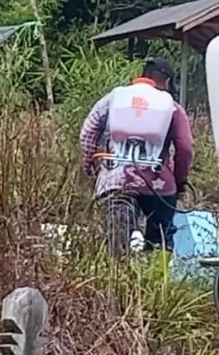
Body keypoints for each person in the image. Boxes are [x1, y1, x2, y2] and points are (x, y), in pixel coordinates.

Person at [80, 57, 194, 255]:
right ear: (166, 82)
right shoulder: (173, 107)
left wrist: (91, 165)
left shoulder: (113, 98)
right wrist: (179, 182)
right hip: (158, 185)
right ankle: (157, 278)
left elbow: (88, 132)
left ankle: (117, 279)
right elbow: (185, 148)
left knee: (117, 244)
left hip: (115, 180)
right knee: (160, 242)